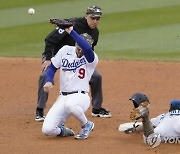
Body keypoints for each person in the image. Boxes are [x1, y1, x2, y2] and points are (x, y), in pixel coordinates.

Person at [35, 5, 111, 122]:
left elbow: (89, 51)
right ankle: (40, 110)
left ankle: (96, 108)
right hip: (58, 55)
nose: (95, 21)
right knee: (45, 76)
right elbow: (50, 39)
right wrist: (47, 58)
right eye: (92, 18)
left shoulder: (95, 32)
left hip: (77, 57)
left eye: (97, 18)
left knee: (96, 76)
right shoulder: (71, 25)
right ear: (86, 16)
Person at [42, 25, 98, 139]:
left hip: (80, 97)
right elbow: (52, 67)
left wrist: (70, 31)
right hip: (62, 97)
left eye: (83, 48)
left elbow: (86, 49)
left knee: (70, 105)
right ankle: (62, 130)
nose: (81, 51)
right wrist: (49, 81)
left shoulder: (91, 58)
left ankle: (86, 124)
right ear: (75, 45)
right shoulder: (65, 50)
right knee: (47, 130)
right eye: (79, 48)